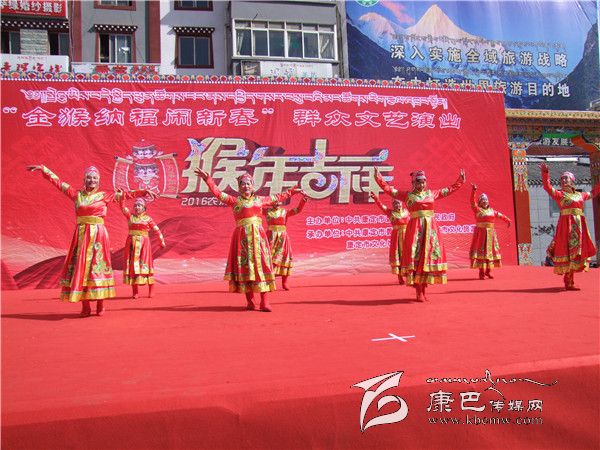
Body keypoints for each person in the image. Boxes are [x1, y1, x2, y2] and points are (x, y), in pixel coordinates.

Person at [27, 165, 156, 316]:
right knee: (82, 270)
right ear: (84, 179)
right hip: (81, 236)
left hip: (98, 237)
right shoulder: (76, 194)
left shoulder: (104, 195)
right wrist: (44, 169)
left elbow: (125, 195)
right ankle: (85, 306)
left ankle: (100, 304)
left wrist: (143, 192)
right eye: (89, 177)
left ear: (98, 181)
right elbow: (59, 182)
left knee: (97, 268)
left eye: (95, 178)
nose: (92, 180)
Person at [194, 168, 302, 311]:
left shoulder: (260, 200)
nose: (246, 186)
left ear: (253, 186)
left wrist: (292, 192)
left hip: (259, 239)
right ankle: (250, 301)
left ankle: (264, 302)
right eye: (243, 184)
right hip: (242, 239)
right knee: (245, 267)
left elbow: (278, 197)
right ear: (239, 187)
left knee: (263, 265)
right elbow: (218, 193)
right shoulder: (234, 201)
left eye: (248, 183)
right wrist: (208, 180)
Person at [375, 168, 465, 301]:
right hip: (415, 230)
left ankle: (424, 289)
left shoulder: (431, 193)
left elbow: (449, 190)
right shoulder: (407, 195)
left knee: (427, 259)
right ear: (413, 183)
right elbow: (389, 190)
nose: (421, 184)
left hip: (431, 230)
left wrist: (460, 181)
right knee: (417, 259)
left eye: (423, 182)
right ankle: (418, 291)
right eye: (418, 182)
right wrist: (378, 178)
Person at [540, 163, 600, 290]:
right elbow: (547, 187)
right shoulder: (560, 195)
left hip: (579, 227)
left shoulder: (580, 195)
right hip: (566, 227)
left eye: (566, 178)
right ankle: (568, 280)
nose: (563, 180)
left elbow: (594, 192)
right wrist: (545, 173)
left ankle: (570, 280)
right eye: (562, 179)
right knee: (567, 251)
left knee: (576, 253)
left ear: (572, 180)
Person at [120, 197, 166, 299]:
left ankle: (151, 289)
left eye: (139, 205)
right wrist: (122, 197)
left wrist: (161, 241)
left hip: (144, 245)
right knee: (133, 266)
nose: (137, 207)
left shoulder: (148, 219)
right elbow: (123, 208)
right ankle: (135, 291)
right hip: (131, 244)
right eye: (135, 206)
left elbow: (157, 230)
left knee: (145, 264)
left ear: (144, 208)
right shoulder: (130, 217)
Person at [264, 194, 308, 290]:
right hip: (270, 238)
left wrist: (303, 201)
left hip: (283, 238)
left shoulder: (285, 212)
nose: (277, 203)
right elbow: (255, 209)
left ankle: (285, 282)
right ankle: (270, 281)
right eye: (275, 201)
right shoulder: (266, 211)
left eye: (279, 202)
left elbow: (297, 210)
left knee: (285, 257)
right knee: (269, 259)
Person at [469, 184, 511, 280]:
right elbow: (472, 201)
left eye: (486, 200)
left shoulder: (492, 211)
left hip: (491, 235)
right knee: (481, 253)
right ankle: (481, 272)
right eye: (483, 200)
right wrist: (474, 191)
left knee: (490, 253)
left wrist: (508, 220)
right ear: (480, 202)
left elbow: (501, 216)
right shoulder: (477, 210)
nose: (485, 201)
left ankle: (489, 271)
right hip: (481, 235)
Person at [370, 192, 409, 285]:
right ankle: (400, 277)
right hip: (396, 237)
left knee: (408, 255)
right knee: (398, 255)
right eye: (395, 203)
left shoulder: (407, 212)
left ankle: (409, 275)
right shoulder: (390, 213)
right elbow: (381, 206)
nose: (397, 205)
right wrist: (376, 199)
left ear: (401, 203)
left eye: (398, 203)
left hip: (407, 235)